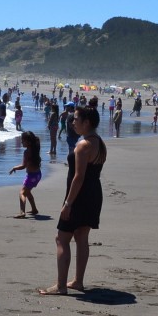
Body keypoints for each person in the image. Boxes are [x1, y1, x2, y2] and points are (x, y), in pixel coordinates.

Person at [39, 106, 107, 295]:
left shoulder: (83, 145)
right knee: (82, 237)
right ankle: (78, 281)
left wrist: (68, 203)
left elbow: (78, 177)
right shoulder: (99, 142)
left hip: (79, 196)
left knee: (62, 238)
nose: (72, 122)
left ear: (87, 122)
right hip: (94, 194)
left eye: (76, 119)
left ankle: (61, 286)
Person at [10, 130, 42, 218]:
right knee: (27, 192)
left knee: (22, 193)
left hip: (31, 176)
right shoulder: (35, 149)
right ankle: (34, 209)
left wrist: (14, 168)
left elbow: (23, 166)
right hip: (38, 174)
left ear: (28, 142)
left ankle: (22, 212)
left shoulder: (27, 152)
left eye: (23, 140)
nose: (21, 142)